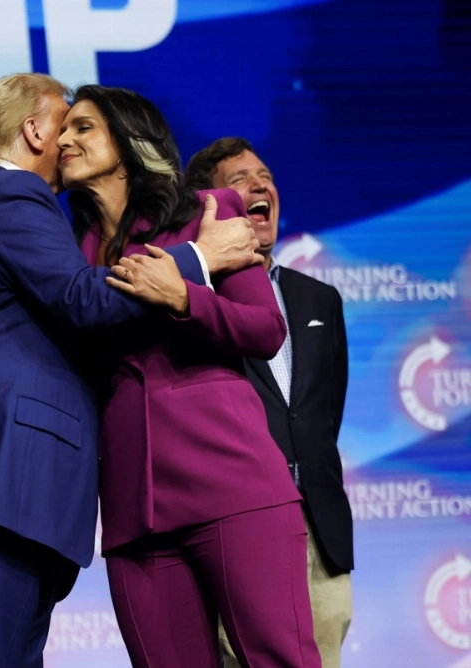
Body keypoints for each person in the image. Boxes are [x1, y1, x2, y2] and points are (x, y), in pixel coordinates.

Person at [0, 73, 262, 668]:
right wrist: (200, 258)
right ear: (35, 129)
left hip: (9, 492)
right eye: (68, 123)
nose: (69, 144)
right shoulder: (9, 196)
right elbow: (84, 300)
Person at [59, 84, 322, 668]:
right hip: (134, 512)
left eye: (84, 127)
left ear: (128, 140)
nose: (64, 139)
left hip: (233, 484)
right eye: (64, 130)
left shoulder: (208, 213)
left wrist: (183, 298)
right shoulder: (67, 252)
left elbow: (264, 329)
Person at [187, 137, 352, 668]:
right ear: (208, 205)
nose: (261, 186)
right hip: (238, 527)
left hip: (321, 535)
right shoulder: (196, 301)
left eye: (266, 176)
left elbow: (324, 414)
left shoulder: (319, 299)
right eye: (240, 180)